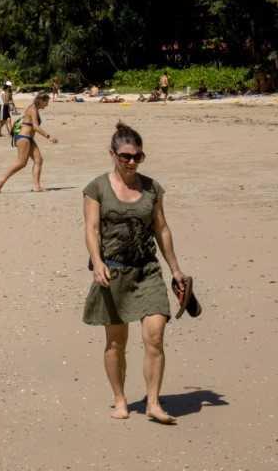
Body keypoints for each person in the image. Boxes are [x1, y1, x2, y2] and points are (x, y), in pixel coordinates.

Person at [84, 122, 188, 424]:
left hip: (147, 271)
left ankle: (153, 403)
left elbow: (162, 228)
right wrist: (97, 261)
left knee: (154, 336)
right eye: (125, 156)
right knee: (116, 342)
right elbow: (90, 228)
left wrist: (176, 270)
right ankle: (120, 400)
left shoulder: (152, 188)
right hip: (113, 273)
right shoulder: (96, 188)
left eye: (137, 157)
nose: (131, 162)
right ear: (112, 154)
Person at [0, 93, 56, 193]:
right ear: (41, 101)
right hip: (24, 138)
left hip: (28, 138)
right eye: (47, 102)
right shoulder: (32, 109)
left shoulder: (34, 109)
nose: (47, 105)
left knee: (39, 160)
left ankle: (37, 187)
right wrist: (48, 136)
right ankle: (1, 181)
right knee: (21, 163)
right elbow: (35, 127)